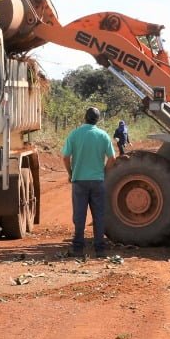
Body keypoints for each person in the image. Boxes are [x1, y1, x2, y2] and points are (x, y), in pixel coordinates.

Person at [61, 106, 116, 257]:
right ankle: (100, 249)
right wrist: (104, 172)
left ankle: (78, 248)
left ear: (85, 117)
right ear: (97, 119)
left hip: (79, 181)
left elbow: (65, 157)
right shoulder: (103, 135)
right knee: (98, 215)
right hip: (97, 181)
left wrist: (71, 173)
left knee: (79, 215)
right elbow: (112, 158)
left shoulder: (75, 134)